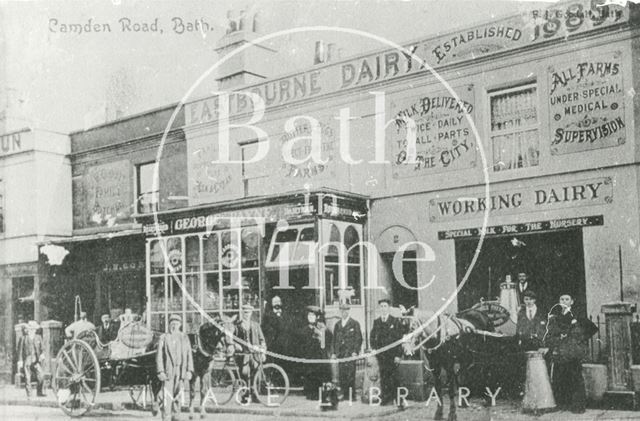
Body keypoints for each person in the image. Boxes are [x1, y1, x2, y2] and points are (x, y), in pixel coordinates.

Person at [545, 293, 597, 414]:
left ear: (572, 302)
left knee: (575, 377)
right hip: (560, 351)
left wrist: (578, 339)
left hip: (572, 352)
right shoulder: (555, 316)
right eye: (561, 299)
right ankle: (563, 403)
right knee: (560, 377)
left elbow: (592, 328)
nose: (564, 301)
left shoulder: (577, 315)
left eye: (567, 299)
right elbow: (551, 333)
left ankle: (578, 406)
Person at [156, 314, 194, 421]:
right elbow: (159, 356)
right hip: (168, 372)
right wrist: (161, 371)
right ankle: (166, 417)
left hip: (180, 371)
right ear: (169, 325)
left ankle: (176, 416)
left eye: (176, 324)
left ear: (180, 325)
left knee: (178, 396)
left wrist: (189, 371)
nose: (174, 326)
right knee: (167, 397)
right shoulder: (164, 338)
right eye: (172, 324)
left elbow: (189, 355)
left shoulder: (184, 337)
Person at [369, 298, 404, 405]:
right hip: (381, 355)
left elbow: (399, 339)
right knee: (384, 377)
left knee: (394, 378)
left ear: (388, 308)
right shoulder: (377, 322)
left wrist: (398, 355)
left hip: (392, 356)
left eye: (385, 306)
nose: (383, 309)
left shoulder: (395, 321)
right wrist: (374, 349)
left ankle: (399, 400)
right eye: (381, 306)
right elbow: (372, 337)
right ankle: (385, 398)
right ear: (379, 308)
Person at [231, 304, 266, 403]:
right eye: (245, 312)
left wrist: (262, 351)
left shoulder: (255, 325)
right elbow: (231, 339)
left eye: (248, 312)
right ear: (242, 313)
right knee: (244, 374)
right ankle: (245, 396)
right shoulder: (237, 326)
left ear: (251, 313)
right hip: (243, 355)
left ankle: (254, 395)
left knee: (255, 374)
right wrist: (235, 345)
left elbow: (262, 340)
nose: (246, 314)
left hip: (254, 355)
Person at [298, 305, 333, 400]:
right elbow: (302, 345)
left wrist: (321, 334)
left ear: (317, 317)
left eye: (313, 316)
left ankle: (320, 394)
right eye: (309, 316)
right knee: (310, 375)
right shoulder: (304, 330)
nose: (311, 318)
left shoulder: (322, 328)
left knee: (320, 375)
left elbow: (327, 341)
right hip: (309, 357)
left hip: (319, 357)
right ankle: (310, 393)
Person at [331, 303, 362, 400]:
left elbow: (358, 339)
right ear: (340, 311)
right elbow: (334, 339)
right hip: (341, 353)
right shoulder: (338, 324)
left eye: (346, 310)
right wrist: (334, 353)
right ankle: (344, 394)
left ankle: (351, 396)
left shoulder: (354, 323)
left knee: (350, 374)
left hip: (350, 353)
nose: (344, 312)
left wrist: (355, 351)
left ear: (349, 311)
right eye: (342, 310)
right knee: (342, 374)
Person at [261, 296, 292, 373]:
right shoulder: (268, 316)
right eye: (275, 303)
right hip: (273, 345)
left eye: (278, 302)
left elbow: (287, 328)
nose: (277, 305)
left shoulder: (285, 316)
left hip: (284, 345)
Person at [17, 321, 45, 397]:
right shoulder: (23, 338)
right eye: (32, 329)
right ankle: (29, 394)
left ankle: (39, 392)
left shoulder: (38, 337)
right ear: (29, 329)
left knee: (41, 376)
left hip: (36, 360)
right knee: (27, 378)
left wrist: (42, 354)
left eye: (35, 329)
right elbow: (20, 351)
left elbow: (42, 348)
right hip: (27, 360)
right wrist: (20, 361)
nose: (34, 330)